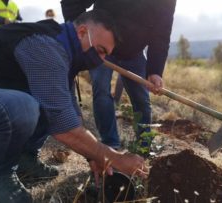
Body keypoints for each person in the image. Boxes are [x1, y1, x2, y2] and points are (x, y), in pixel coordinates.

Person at [0, 10, 148, 203]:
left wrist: (93, 156)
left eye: (105, 55)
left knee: (47, 100)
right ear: (82, 32)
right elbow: (64, 127)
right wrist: (114, 157)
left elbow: (70, 114)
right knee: (22, 106)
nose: (100, 60)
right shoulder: (45, 46)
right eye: (100, 50)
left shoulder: (64, 50)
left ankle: (26, 157)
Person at [61, 0, 176, 149]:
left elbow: (161, 33)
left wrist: (155, 71)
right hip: (101, 47)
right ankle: (110, 145)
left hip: (133, 51)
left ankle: (144, 145)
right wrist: (79, 33)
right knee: (102, 92)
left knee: (141, 98)